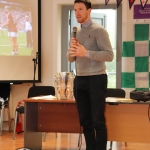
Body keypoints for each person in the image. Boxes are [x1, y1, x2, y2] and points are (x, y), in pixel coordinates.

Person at [66, 0, 114, 150]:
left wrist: (85, 52)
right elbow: (70, 58)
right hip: (80, 79)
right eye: (75, 10)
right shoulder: (77, 32)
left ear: (89, 11)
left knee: (97, 120)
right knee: (85, 121)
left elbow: (109, 55)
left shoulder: (99, 30)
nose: (77, 13)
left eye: (80, 9)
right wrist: (72, 51)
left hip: (96, 78)